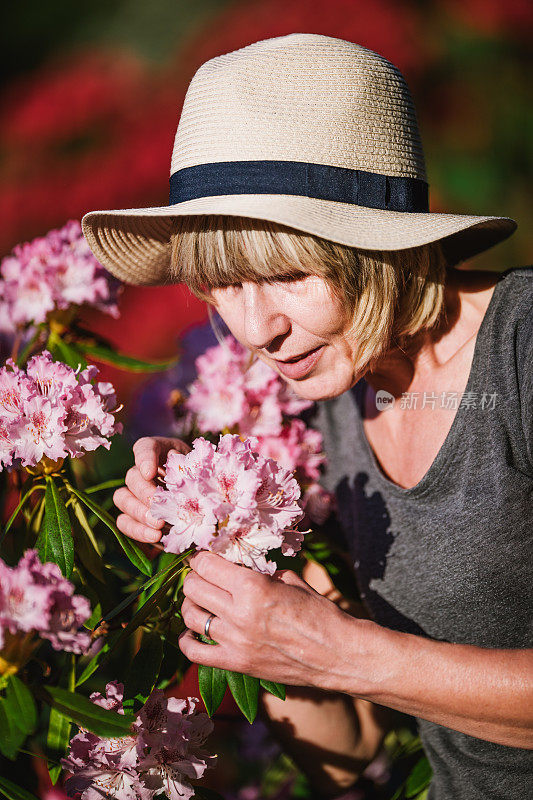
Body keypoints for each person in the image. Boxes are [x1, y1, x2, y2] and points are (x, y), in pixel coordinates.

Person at [81, 34, 533, 800]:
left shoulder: (519, 348)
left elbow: (349, 660)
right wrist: (224, 546)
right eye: (221, 286)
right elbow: (351, 746)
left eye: (289, 274)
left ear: (378, 248)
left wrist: (342, 652)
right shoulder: (329, 404)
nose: (256, 331)